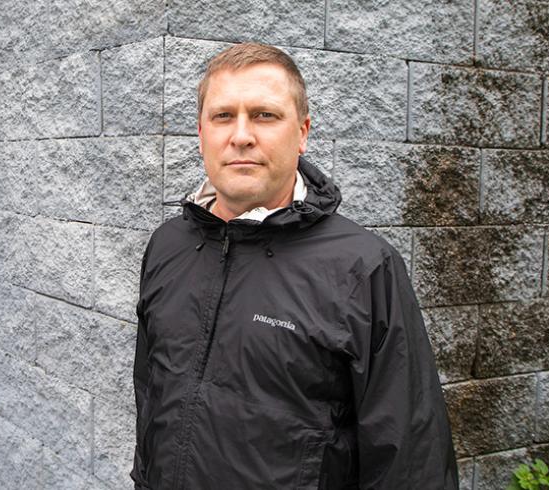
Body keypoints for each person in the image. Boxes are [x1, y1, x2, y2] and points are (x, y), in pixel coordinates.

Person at [130, 43, 458, 489]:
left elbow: (411, 462)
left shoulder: (363, 269)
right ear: (201, 131)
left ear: (302, 132)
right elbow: (151, 398)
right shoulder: (169, 245)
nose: (241, 135)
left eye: (264, 115)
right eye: (223, 116)